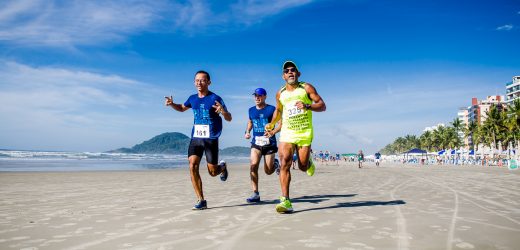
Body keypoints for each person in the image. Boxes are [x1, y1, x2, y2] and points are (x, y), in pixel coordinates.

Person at [164, 70, 232, 210]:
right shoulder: (192, 98)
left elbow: (229, 117)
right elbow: (182, 108)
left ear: (208, 82)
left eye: (202, 80)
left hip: (211, 138)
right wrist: (172, 104)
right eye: (196, 80)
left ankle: (222, 167)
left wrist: (223, 112)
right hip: (196, 137)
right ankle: (201, 200)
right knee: (192, 165)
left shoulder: (215, 98)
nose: (199, 83)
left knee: (212, 172)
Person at [265, 60, 326, 213]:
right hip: (287, 132)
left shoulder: (306, 88)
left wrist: (307, 106)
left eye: (293, 70)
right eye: (287, 71)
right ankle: (285, 200)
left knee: (302, 166)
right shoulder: (280, 93)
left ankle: (308, 162)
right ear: (283, 76)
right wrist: (272, 124)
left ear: (298, 74)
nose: (290, 72)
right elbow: (278, 111)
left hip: (304, 132)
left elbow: (322, 105)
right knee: (284, 161)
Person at [244, 88, 281, 203]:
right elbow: (250, 121)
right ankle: (255, 193)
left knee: (268, 171)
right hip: (256, 143)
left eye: (259, 95)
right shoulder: (251, 110)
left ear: (265, 96)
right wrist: (247, 132)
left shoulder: (272, 109)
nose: (257, 97)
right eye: (255, 95)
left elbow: (280, 123)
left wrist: (273, 132)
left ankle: (275, 164)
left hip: (269, 144)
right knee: (253, 165)